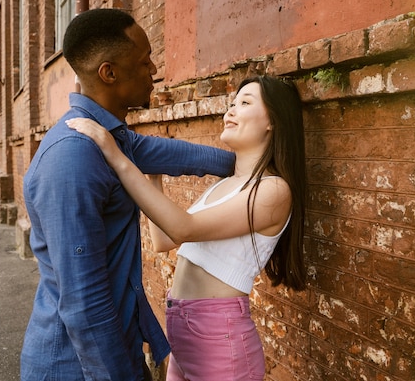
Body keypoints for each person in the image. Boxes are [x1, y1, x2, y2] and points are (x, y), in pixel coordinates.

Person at [20, 8, 235, 381]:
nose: (154, 69)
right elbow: (84, 302)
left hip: (113, 353)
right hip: (76, 367)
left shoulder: (112, 139)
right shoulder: (73, 157)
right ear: (109, 72)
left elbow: (178, 155)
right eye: (144, 60)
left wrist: (253, 161)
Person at [66, 75, 307, 380]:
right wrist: (152, 173)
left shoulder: (273, 191)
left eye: (244, 103)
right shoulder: (225, 186)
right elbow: (164, 239)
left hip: (220, 338)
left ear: (273, 121)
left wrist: (115, 155)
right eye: (231, 103)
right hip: (182, 330)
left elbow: (184, 229)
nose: (230, 111)